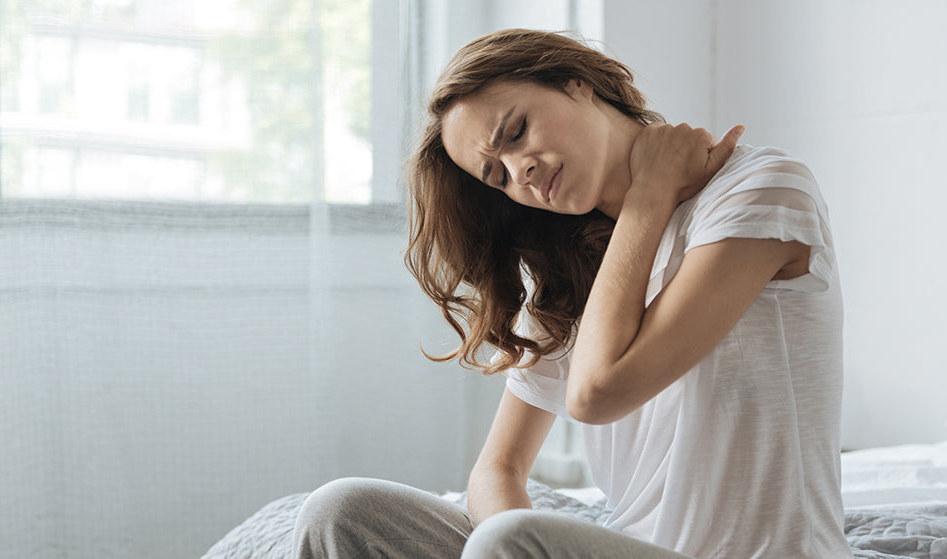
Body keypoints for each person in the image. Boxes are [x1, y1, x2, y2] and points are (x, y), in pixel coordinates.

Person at [292, 28, 851, 559]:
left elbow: (597, 393)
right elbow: (498, 470)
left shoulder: (762, 189)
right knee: (340, 510)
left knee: (509, 541)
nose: (521, 170)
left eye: (516, 133)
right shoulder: (572, 269)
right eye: (498, 176)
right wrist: (647, 197)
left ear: (575, 82)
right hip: (623, 546)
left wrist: (649, 195)